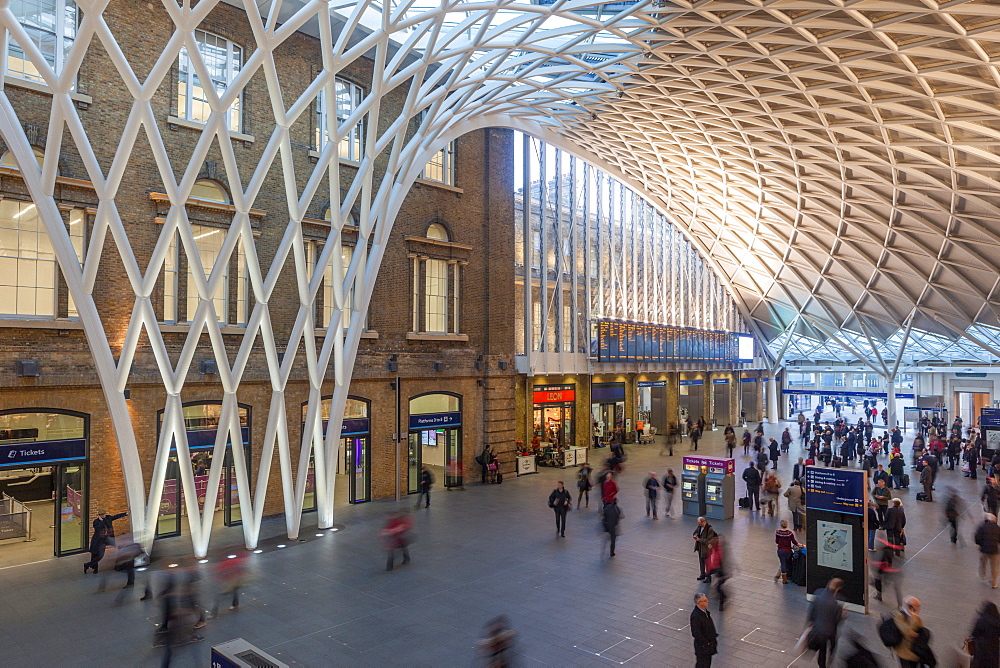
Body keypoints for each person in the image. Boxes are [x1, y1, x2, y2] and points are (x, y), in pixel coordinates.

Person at [806, 578, 844, 668]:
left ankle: (822, 666)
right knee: (832, 648)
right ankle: (830, 661)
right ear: (838, 589)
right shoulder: (836, 604)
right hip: (830, 632)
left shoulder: (818, 593)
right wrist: (842, 616)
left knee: (822, 651)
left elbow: (812, 611)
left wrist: (810, 622)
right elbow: (837, 620)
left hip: (819, 630)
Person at [83, 509, 128, 574]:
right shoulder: (96, 522)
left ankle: (87, 565)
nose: (104, 515)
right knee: (96, 555)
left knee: (100, 554)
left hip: (106, 539)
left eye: (104, 514)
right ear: (99, 515)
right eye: (102, 515)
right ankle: (94, 568)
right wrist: (101, 521)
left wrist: (125, 514)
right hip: (98, 540)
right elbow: (98, 528)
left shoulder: (108, 518)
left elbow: (116, 516)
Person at [892, 597, 933, 668]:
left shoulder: (916, 617)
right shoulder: (899, 615)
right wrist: (916, 634)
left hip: (915, 651)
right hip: (904, 652)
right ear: (909, 606)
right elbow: (906, 631)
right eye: (917, 606)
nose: (919, 609)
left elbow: (920, 629)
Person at [690, 592, 718, 668]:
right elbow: (696, 633)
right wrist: (706, 643)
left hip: (707, 646)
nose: (707, 601)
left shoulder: (704, 611)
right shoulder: (695, 616)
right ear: (699, 603)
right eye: (705, 600)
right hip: (703, 648)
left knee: (707, 664)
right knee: (702, 665)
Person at [969, 601, 1000, 668]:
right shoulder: (998, 622)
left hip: (981, 648)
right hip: (994, 648)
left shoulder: (981, 621)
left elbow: (974, 633)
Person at [975, 513, 1000, 589]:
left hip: (984, 550)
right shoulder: (998, 528)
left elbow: (977, 538)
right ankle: (994, 583)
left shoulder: (982, 526)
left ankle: (982, 576)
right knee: (994, 567)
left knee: (982, 563)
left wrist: (981, 544)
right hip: (994, 551)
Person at [774, 520, 802, 584]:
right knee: (788, 563)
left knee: (783, 563)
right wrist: (802, 545)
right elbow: (795, 542)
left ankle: (783, 578)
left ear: (781, 525)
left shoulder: (778, 533)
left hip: (780, 551)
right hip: (788, 551)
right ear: (787, 525)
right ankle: (787, 576)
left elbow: (777, 542)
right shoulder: (790, 533)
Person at [693, 517, 716, 581]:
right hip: (700, 548)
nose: (699, 525)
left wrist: (699, 540)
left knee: (708, 563)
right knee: (701, 562)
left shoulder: (710, 529)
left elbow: (708, 540)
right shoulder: (700, 526)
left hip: (707, 550)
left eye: (700, 523)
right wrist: (695, 535)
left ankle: (708, 577)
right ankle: (702, 574)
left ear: (703, 522)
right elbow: (695, 532)